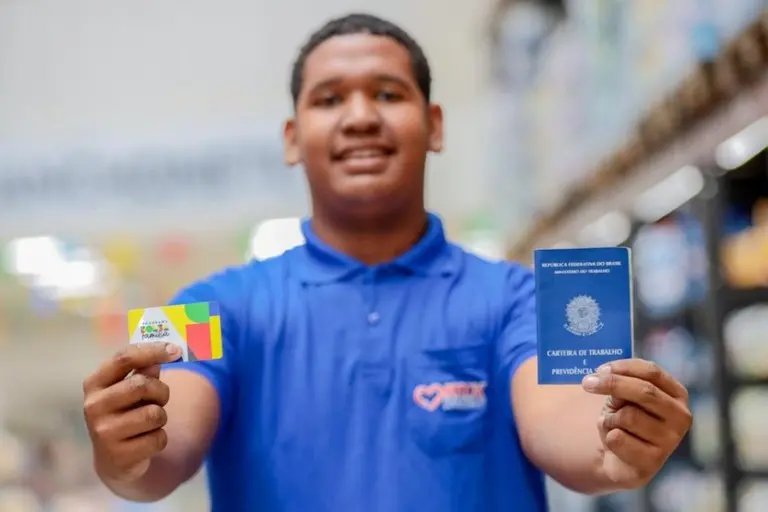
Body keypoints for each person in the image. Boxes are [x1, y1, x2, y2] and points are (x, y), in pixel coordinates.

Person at [81, 13, 692, 511]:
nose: (360, 116)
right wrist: (124, 452)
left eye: (387, 93)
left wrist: (613, 447)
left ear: (434, 125)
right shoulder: (205, 308)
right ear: (293, 138)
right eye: (329, 99)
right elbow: (156, 462)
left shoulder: (519, 299)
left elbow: (564, 418)